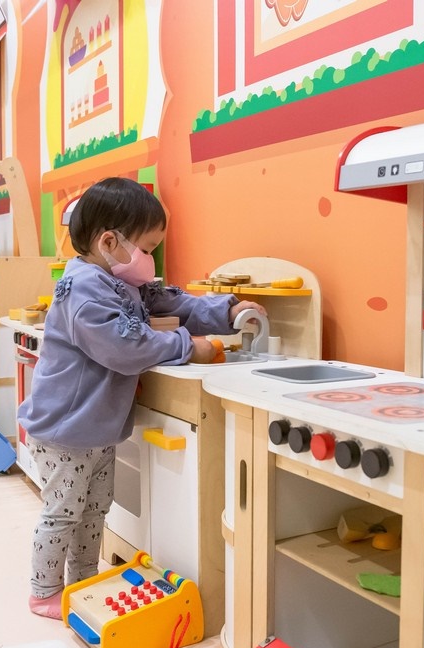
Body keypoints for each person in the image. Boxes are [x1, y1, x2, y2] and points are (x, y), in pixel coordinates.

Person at [18, 177, 265, 619]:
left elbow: (174, 302)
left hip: (95, 430)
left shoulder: (121, 282)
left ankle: (81, 582)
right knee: (62, 514)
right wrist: (191, 346)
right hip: (64, 431)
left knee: (94, 511)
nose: (150, 260)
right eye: (147, 248)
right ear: (109, 241)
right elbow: (125, 346)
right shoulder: (84, 290)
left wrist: (227, 311)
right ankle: (43, 592)